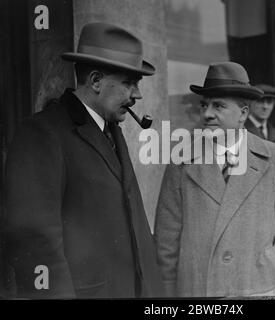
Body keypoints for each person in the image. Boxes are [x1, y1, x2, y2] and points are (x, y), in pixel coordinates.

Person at [4, 22, 163, 298]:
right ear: (96, 81)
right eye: (128, 83)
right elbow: (36, 240)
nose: (137, 94)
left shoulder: (110, 130)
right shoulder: (42, 134)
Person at [154, 62, 275, 297]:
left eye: (218, 106)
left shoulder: (273, 156)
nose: (207, 114)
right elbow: (166, 243)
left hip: (258, 287)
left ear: (243, 113)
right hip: (199, 291)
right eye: (204, 105)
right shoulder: (181, 162)